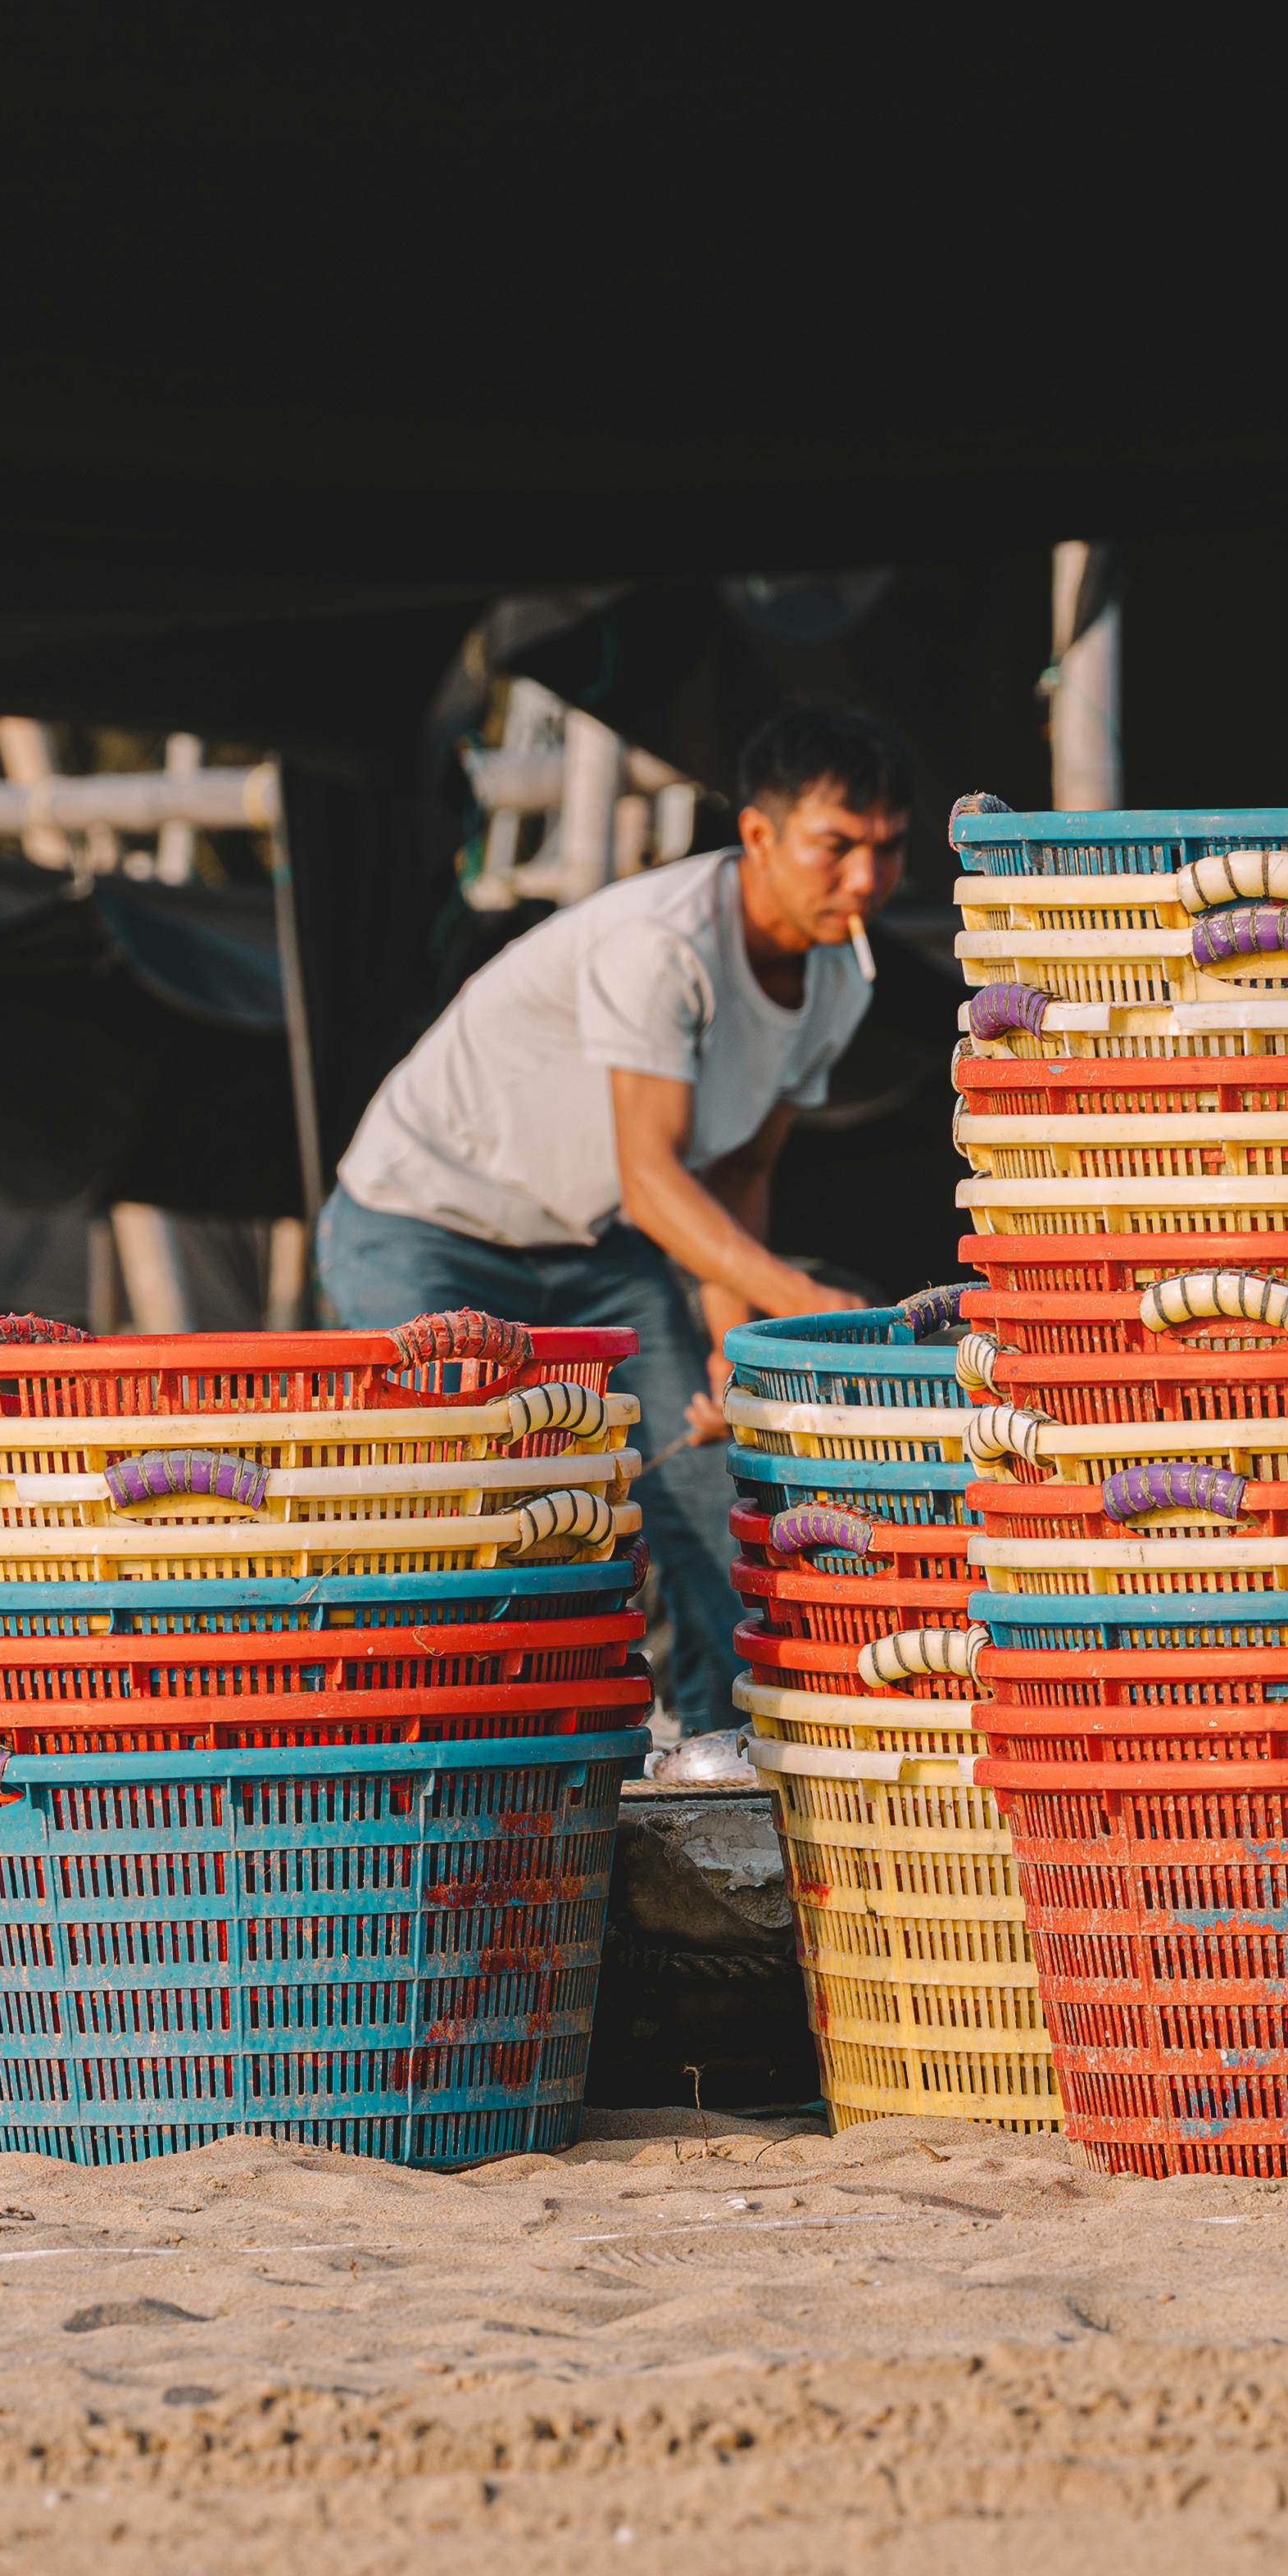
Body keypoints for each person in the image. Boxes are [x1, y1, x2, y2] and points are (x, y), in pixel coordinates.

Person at [315, 701, 909, 1785]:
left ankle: (710, 1768)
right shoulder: (661, 942)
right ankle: (423, 1769)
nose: (866, 878)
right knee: (456, 1511)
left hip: (591, 1242)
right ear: (761, 835)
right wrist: (795, 1302)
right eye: (839, 845)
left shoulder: (843, 966)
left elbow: (740, 1173)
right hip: (423, 1220)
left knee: (700, 1483)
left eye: (887, 846)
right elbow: (655, 1174)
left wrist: (740, 1346)